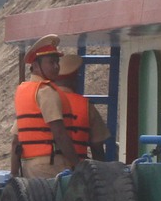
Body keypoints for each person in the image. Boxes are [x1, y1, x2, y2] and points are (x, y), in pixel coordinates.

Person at [9, 34, 109, 179]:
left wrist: (13, 174)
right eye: (51, 62)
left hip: (29, 167)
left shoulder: (26, 92)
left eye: (57, 62)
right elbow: (60, 134)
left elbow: (15, 141)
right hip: (52, 165)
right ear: (36, 66)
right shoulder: (47, 92)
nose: (56, 67)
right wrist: (78, 165)